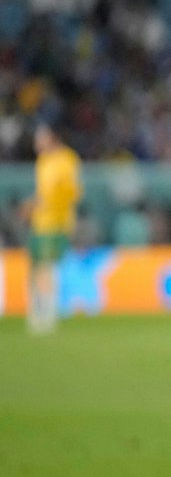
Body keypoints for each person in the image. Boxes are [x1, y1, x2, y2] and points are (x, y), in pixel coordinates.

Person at [23, 125, 82, 336]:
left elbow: (69, 192)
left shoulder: (66, 160)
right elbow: (43, 192)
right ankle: (37, 312)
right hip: (40, 223)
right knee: (37, 267)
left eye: (41, 139)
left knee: (46, 267)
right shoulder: (43, 162)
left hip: (54, 223)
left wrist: (42, 205)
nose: (37, 144)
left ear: (52, 139)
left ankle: (47, 314)